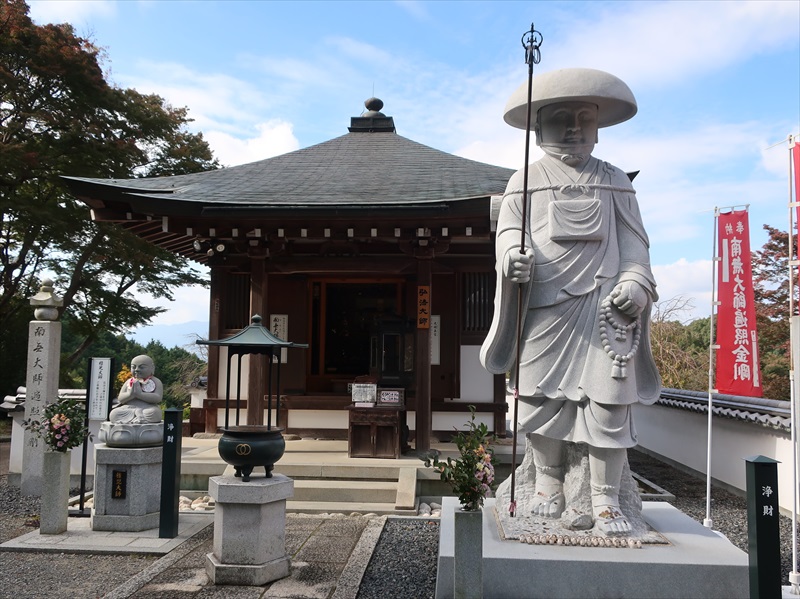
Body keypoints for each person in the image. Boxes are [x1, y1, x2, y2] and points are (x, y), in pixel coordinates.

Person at [480, 68, 661, 535]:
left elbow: (636, 247)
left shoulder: (615, 181)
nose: (575, 128)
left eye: (585, 118)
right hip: (546, 307)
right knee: (539, 398)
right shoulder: (527, 179)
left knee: (609, 403)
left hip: (605, 307)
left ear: (598, 126)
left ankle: (605, 497)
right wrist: (512, 258)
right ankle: (547, 482)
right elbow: (508, 232)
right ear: (539, 127)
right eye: (563, 118)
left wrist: (636, 283)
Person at [109, 355, 163, 424]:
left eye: (142, 367)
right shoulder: (129, 382)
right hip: (129, 409)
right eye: (134, 367)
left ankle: (138, 417)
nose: (137, 369)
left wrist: (140, 394)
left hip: (147, 408)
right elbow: (120, 399)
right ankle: (137, 417)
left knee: (155, 413)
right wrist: (130, 394)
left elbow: (158, 398)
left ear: (152, 368)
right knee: (114, 413)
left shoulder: (156, 381)